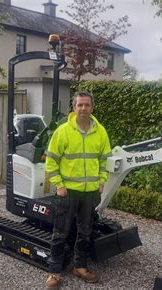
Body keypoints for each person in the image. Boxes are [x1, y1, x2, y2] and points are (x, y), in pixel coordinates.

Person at [44, 91, 111, 288]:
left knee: (85, 231)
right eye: (80, 105)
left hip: (90, 193)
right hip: (68, 192)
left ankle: (80, 266)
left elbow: (103, 159)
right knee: (60, 232)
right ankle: (54, 272)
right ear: (74, 108)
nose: (83, 108)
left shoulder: (101, 132)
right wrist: (59, 185)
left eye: (87, 105)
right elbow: (51, 160)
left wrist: (101, 180)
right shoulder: (63, 131)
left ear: (92, 108)